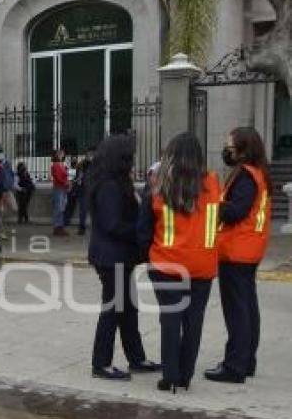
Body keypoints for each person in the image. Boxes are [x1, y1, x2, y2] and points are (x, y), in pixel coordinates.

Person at [138, 132, 221, 393]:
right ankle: (186, 375)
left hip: (167, 264)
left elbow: (144, 228)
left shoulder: (159, 185)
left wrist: (146, 254)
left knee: (170, 318)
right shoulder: (213, 182)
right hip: (202, 265)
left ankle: (170, 375)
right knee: (194, 320)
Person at [86, 135, 158, 381]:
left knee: (128, 309)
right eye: (129, 157)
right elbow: (113, 224)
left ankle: (136, 358)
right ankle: (101, 363)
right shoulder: (109, 187)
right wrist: (141, 229)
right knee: (113, 309)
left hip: (119, 256)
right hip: (111, 257)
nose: (133, 161)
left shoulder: (117, 183)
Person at [205, 127, 272, 384]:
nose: (226, 151)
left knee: (237, 311)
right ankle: (246, 361)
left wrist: (213, 204)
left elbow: (237, 212)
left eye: (230, 147)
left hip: (237, 250)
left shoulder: (245, 176)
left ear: (244, 149)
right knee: (247, 308)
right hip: (249, 249)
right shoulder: (258, 174)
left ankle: (235, 366)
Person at [65, 152, 90, 235]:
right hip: (79, 189)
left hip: (84, 190)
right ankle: (67, 221)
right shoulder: (77, 167)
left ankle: (81, 227)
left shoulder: (88, 166)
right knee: (75, 207)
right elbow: (72, 178)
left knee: (83, 210)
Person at [51, 149, 69, 236]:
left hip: (62, 188)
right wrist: (65, 183)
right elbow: (58, 177)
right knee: (59, 208)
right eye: (60, 154)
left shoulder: (61, 165)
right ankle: (57, 226)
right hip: (59, 187)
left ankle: (60, 226)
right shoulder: (56, 165)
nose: (62, 155)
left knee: (61, 207)